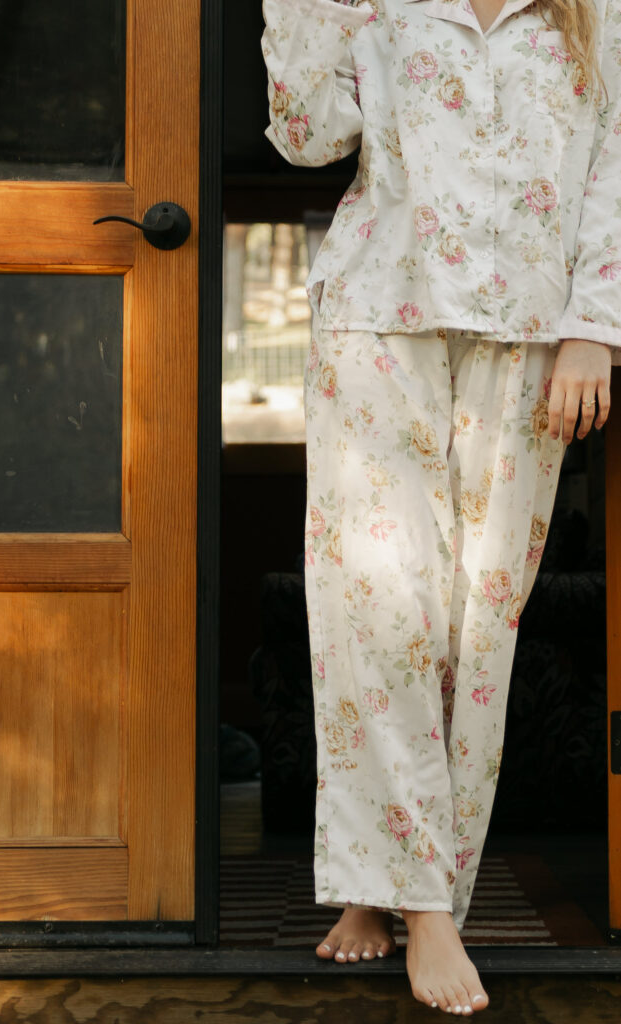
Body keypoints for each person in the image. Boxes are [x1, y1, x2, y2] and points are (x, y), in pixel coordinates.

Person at [261, 0, 618, 1014]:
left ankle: (400, 889)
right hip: (379, 325)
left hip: (527, 338)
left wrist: (593, 326)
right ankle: (416, 907)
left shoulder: (591, 13)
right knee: (376, 614)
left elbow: (615, 168)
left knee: (477, 620)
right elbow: (304, 138)